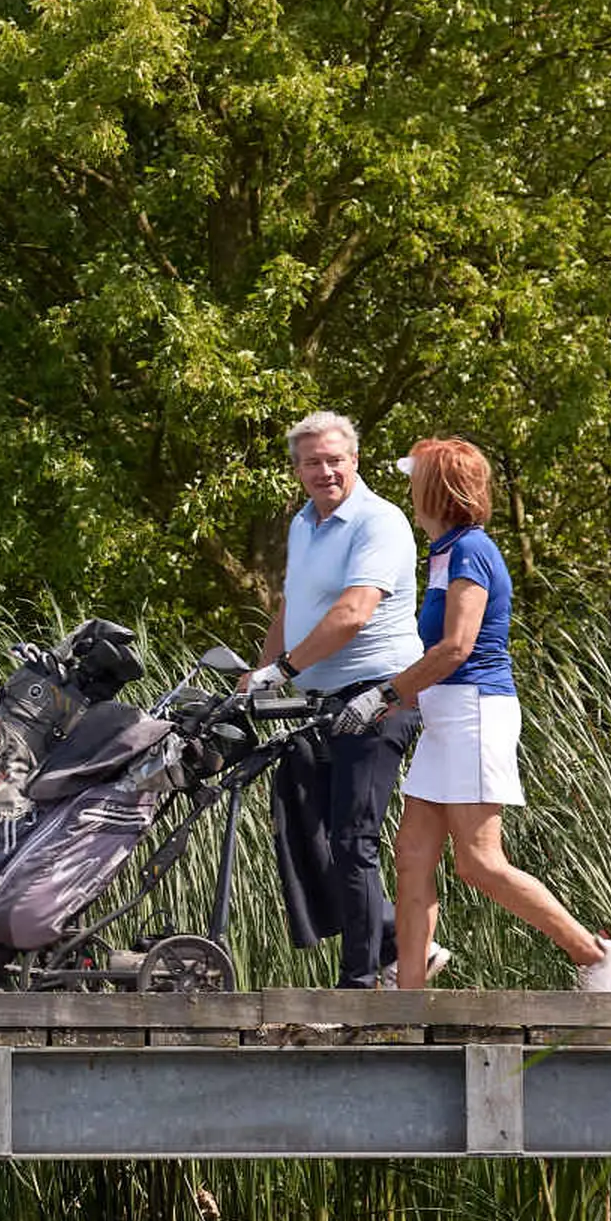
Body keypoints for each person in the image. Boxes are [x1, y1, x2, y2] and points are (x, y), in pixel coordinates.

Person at [376, 436, 611, 994]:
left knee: (478, 862)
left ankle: (595, 954)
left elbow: (456, 648)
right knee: (412, 855)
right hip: (447, 718)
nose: (408, 489)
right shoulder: (446, 552)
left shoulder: (471, 550)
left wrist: (386, 696)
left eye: (414, 479)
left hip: (474, 713)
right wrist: (398, 694)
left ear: (434, 489)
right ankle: (409, 998)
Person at [242, 411, 425, 987]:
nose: (325, 471)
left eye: (335, 460)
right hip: (320, 703)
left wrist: (286, 668)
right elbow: (291, 611)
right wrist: (258, 675)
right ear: (297, 471)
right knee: (304, 828)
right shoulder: (304, 524)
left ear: (355, 461)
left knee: (353, 839)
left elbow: (354, 612)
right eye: (313, 462)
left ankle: (361, 986)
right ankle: (393, 940)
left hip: (379, 698)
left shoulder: (380, 522)